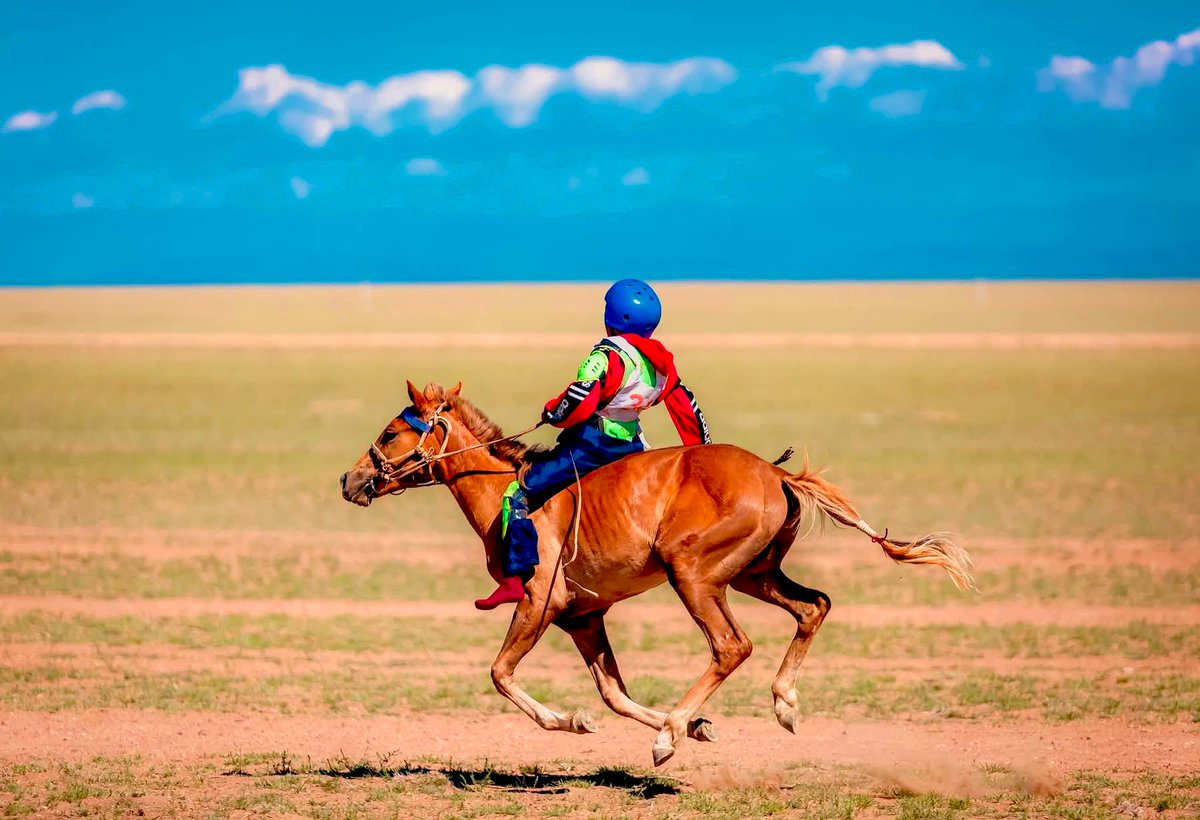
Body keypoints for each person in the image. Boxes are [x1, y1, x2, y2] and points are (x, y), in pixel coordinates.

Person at [475, 279, 712, 610]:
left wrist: (552, 413)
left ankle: (516, 578)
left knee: (519, 492)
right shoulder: (661, 364)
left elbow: (580, 400)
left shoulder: (606, 355)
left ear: (609, 318)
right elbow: (686, 405)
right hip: (633, 447)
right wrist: (703, 450)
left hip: (592, 446)